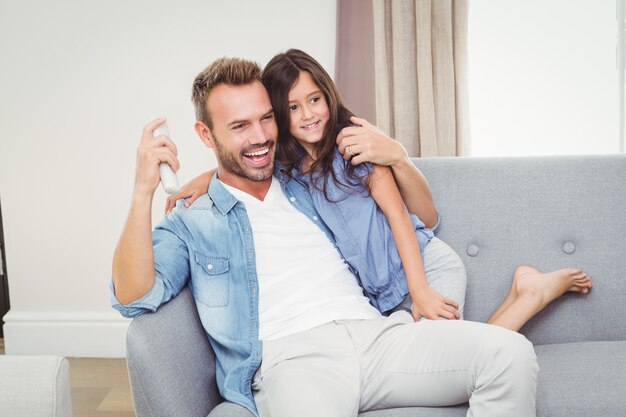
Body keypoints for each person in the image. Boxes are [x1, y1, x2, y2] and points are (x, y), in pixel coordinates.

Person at [111, 56, 587, 417]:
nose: (259, 136)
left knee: (509, 354)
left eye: (265, 118)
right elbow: (134, 295)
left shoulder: (304, 177)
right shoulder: (191, 222)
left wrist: (396, 154)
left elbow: (416, 212)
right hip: (294, 359)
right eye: (239, 126)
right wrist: (142, 193)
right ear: (205, 134)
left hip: (377, 334)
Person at [164, 49, 592, 330]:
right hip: (381, 295)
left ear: (329, 96)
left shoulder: (355, 147)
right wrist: (203, 180)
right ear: (277, 115)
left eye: (315, 99)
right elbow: (243, 162)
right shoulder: (286, 168)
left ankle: (532, 294)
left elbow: (402, 218)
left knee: (445, 358)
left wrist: (421, 289)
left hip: (423, 269)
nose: (309, 114)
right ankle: (526, 289)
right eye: (292, 108)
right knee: (444, 360)